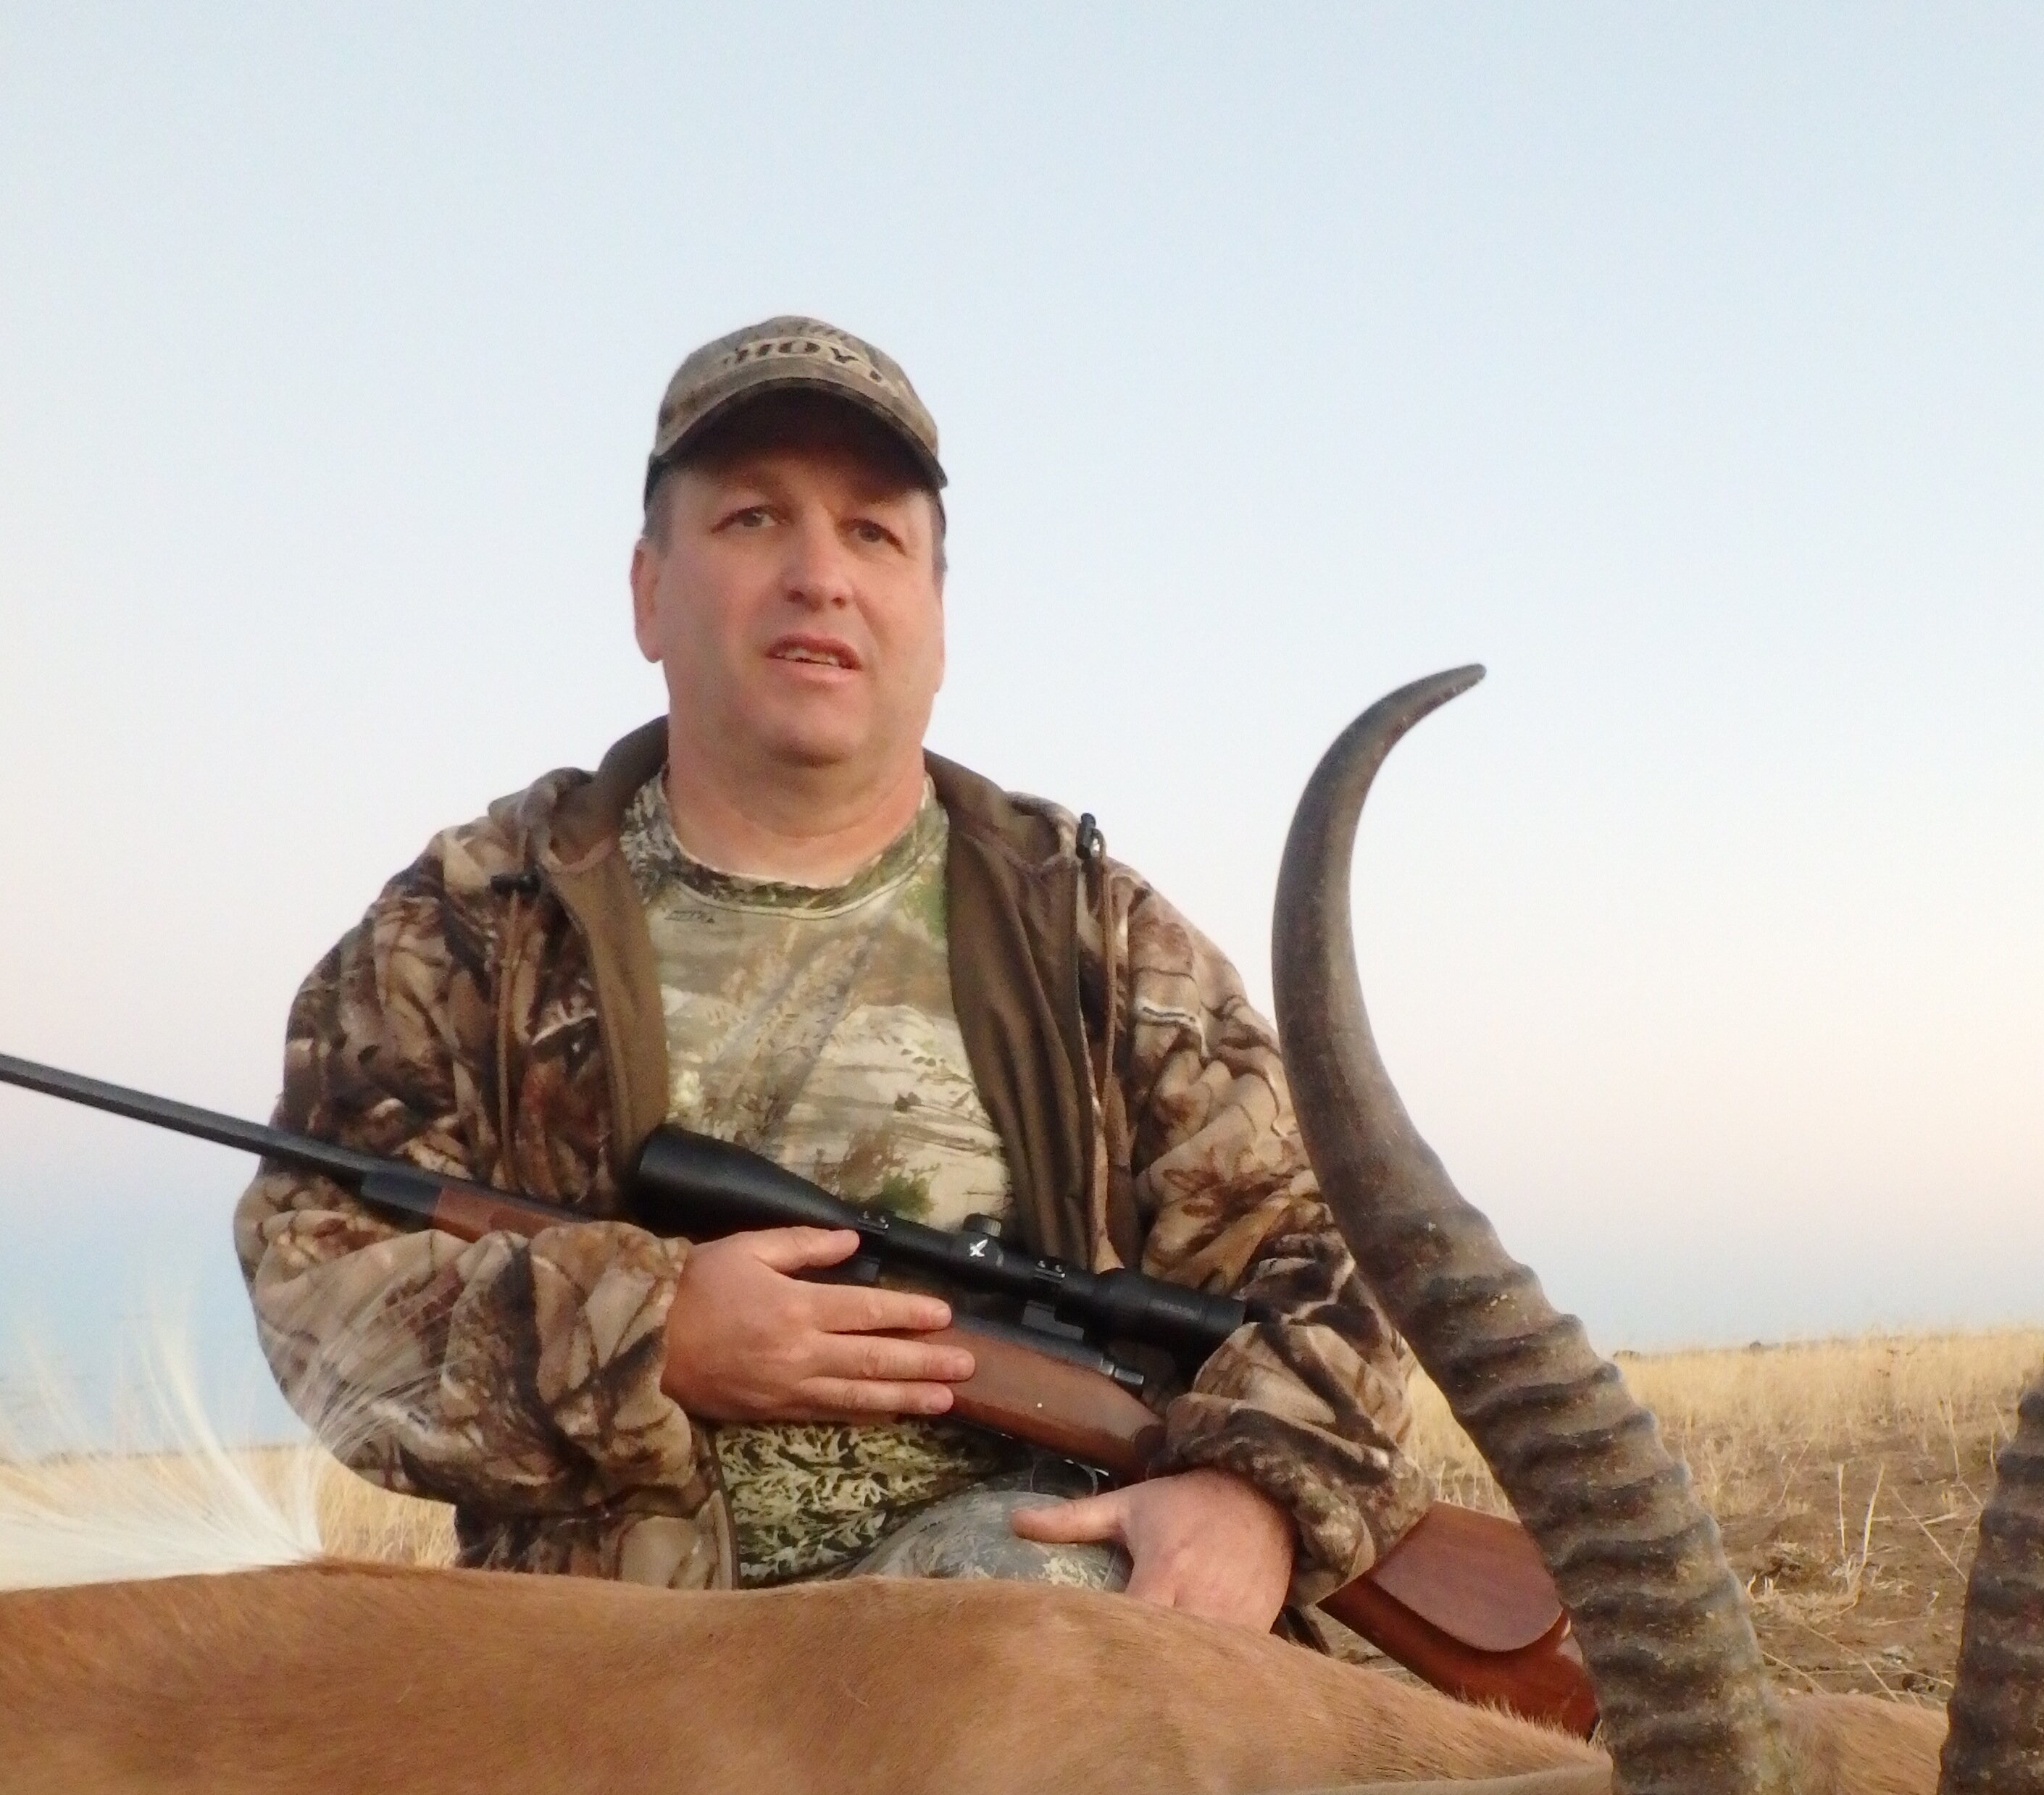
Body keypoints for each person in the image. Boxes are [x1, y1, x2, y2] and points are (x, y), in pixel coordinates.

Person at [238, 317, 1426, 1626]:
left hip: (1048, 1670)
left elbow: (1340, 1262)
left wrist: (1252, 1497)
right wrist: (648, 1334)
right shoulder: (469, 928)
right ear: (647, 591)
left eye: (874, 533)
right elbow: (316, 1284)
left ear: (934, 611)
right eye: (753, 520)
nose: (820, 576)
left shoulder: (1096, 935)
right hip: (610, 1711)